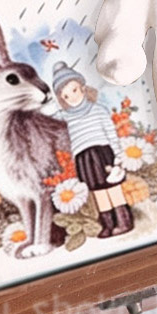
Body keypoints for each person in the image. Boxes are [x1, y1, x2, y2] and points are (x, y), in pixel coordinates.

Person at [51, 61, 133, 238]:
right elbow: (49, 122)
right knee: (97, 191)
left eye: (74, 90)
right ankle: (108, 223)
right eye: (66, 96)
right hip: (83, 158)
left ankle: (123, 220)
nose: (72, 97)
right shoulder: (64, 117)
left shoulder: (98, 110)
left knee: (112, 187)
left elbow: (111, 133)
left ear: (82, 87)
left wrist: (118, 155)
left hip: (102, 152)